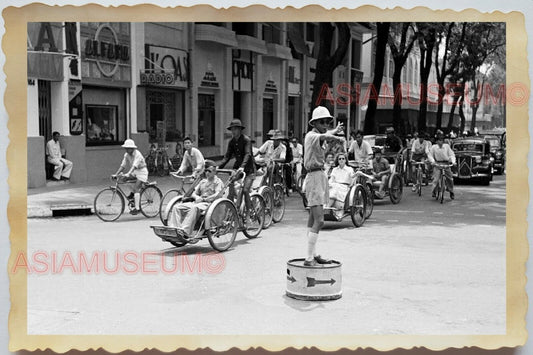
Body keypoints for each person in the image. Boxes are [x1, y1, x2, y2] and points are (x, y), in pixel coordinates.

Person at [303, 106, 345, 267]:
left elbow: (326, 136)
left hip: (319, 176)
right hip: (314, 177)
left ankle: (312, 254)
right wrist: (336, 134)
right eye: (322, 122)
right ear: (315, 123)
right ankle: (308, 258)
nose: (325, 124)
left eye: (327, 121)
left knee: (313, 218)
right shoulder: (311, 136)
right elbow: (325, 136)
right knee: (319, 220)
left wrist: (334, 132)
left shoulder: (318, 137)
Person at [168, 160, 224, 237]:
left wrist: (204, 199)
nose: (207, 173)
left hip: (209, 204)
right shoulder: (203, 182)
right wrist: (197, 197)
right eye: (206, 171)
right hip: (198, 202)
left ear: (214, 172)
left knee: (194, 208)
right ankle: (174, 228)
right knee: (177, 207)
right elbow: (194, 193)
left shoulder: (218, 182)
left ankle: (185, 231)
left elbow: (218, 194)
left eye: (209, 171)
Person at [218, 119, 256, 213]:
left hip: (249, 169)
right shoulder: (231, 142)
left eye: (235, 129)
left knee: (246, 190)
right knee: (230, 183)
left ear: (240, 130)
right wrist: (219, 167)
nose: (233, 131)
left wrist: (242, 166)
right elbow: (227, 156)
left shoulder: (246, 140)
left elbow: (248, 154)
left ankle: (249, 212)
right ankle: (232, 209)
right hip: (238, 168)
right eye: (232, 129)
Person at [114, 139, 148, 215]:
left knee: (136, 188)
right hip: (135, 172)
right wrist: (116, 174)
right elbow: (123, 165)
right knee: (123, 179)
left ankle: (137, 208)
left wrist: (129, 173)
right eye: (125, 148)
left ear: (132, 148)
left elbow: (134, 166)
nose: (126, 149)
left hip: (142, 172)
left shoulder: (137, 154)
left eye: (128, 148)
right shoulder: (126, 155)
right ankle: (133, 194)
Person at [427, 132, 456, 200]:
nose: (440, 142)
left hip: (446, 164)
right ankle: (434, 191)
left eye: (442, 140)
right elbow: (430, 155)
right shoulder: (434, 147)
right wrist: (433, 162)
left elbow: (451, 154)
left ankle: (451, 191)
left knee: (450, 178)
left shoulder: (447, 146)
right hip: (437, 164)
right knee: (436, 179)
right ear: (437, 141)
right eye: (439, 140)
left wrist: (453, 162)